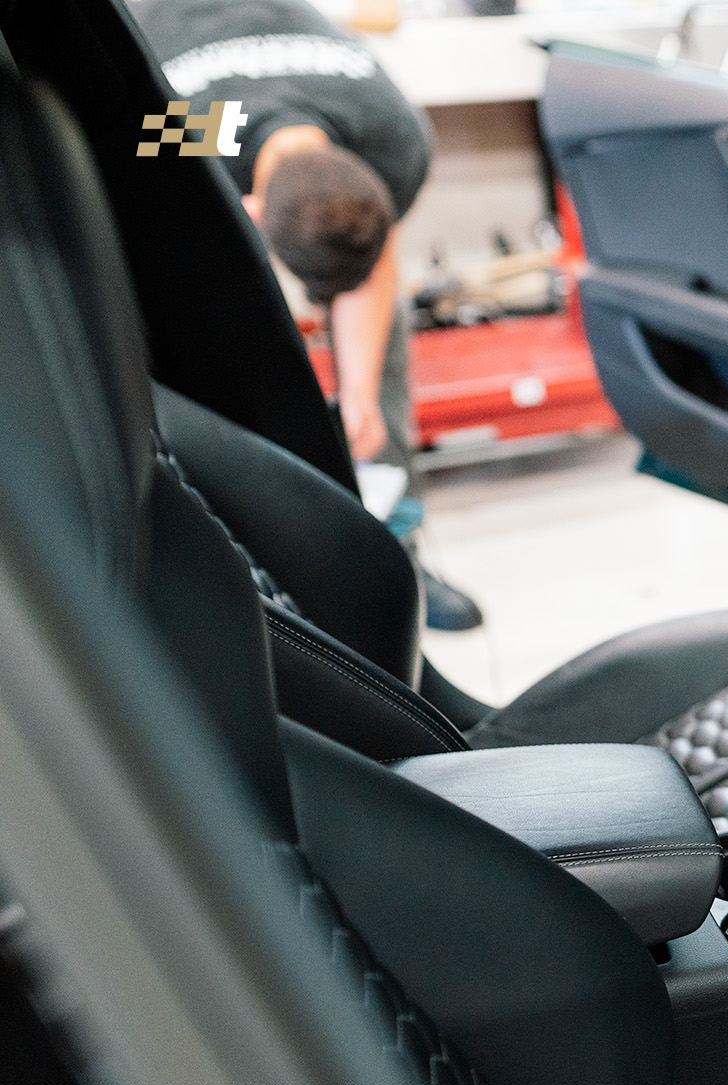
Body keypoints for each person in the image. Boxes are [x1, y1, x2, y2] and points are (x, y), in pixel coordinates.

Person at [134, 0, 485, 631]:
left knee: (378, 365)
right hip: (178, 33)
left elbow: (372, 248)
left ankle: (395, 556)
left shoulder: (391, 133)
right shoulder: (185, 131)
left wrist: (360, 395)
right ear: (250, 210)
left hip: (283, 45)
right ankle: (253, 575)